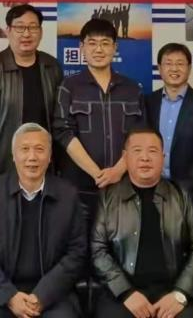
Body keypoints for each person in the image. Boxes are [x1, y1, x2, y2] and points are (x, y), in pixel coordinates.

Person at [91, 128, 193, 318]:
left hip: (173, 289)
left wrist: (180, 294)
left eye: (152, 151)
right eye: (137, 151)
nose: (145, 158)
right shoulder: (108, 197)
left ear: (163, 158)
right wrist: (125, 292)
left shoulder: (181, 195)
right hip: (123, 292)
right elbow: (98, 250)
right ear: (125, 157)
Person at [0, 123, 89, 318]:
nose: (32, 157)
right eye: (24, 149)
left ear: (50, 156)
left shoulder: (68, 195)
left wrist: (42, 296)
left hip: (53, 293)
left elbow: (76, 252)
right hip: (1, 292)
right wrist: (9, 296)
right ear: (13, 155)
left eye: (39, 149)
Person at [0, 4, 65, 191]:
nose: (26, 34)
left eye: (33, 27)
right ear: (8, 31)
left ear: (40, 32)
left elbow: (59, 123)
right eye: (20, 27)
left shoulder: (52, 67)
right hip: (1, 171)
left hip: (44, 171)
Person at [55, 18, 144, 218]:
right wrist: (97, 173)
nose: (98, 49)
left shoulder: (132, 89)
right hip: (80, 190)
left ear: (115, 47)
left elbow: (141, 136)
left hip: (124, 188)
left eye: (105, 43)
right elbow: (63, 132)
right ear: (82, 48)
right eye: (92, 43)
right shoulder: (69, 87)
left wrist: (118, 171)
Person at [142, 43, 193, 213]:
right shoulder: (148, 102)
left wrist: (185, 188)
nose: (174, 68)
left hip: (190, 193)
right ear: (160, 68)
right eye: (168, 63)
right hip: (151, 188)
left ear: (189, 68)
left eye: (180, 63)